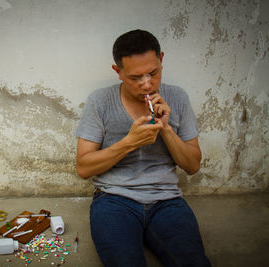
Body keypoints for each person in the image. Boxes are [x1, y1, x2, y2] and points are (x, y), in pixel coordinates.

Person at [75, 29, 211, 267]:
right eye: (136, 77)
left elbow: (192, 166)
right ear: (118, 72)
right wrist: (130, 142)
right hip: (113, 199)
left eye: (153, 73)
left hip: (167, 199)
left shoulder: (177, 97)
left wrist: (166, 129)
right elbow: (84, 168)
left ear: (162, 59)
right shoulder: (100, 101)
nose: (147, 84)